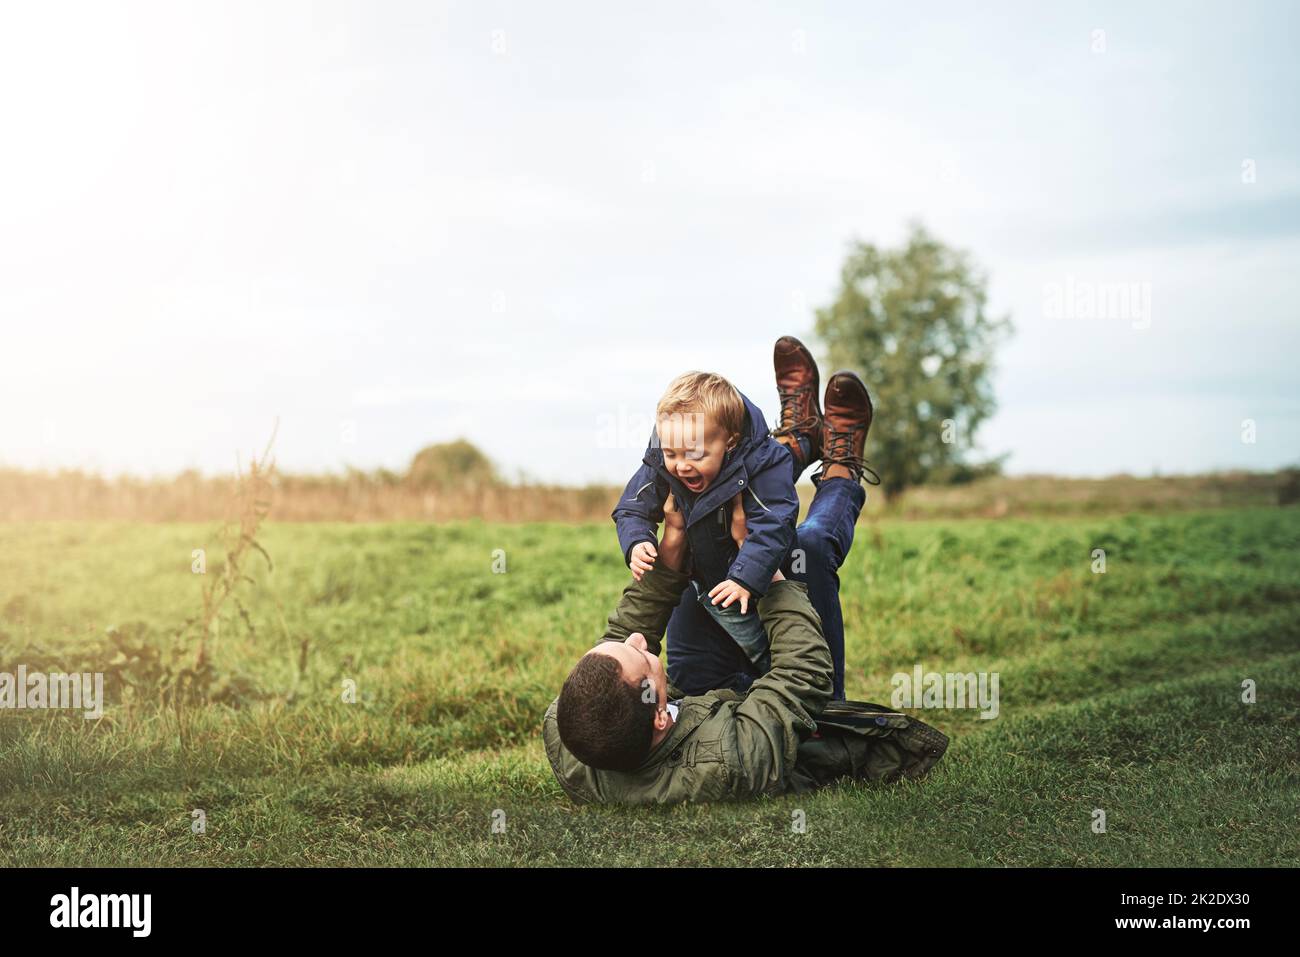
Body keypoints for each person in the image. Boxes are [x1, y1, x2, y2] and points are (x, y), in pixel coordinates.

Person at [542, 342, 947, 804]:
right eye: (645, 657)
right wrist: (766, 574)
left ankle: (791, 442)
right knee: (807, 549)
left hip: (700, 692)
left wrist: (670, 547)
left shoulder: (575, 736)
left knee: (704, 546)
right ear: (657, 715)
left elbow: (618, 644)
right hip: (780, 706)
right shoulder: (730, 759)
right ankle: (840, 468)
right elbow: (803, 674)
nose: (640, 640)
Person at [613, 370, 800, 675]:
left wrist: (746, 577)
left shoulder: (764, 462)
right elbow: (634, 506)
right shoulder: (663, 459)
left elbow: (775, 522)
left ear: (730, 441)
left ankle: (812, 453)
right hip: (703, 579)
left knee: (768, 655)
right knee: (709, 662)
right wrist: (638, 541)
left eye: (694, 454)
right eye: (671, 453)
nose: (681, 465)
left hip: (758, 578)